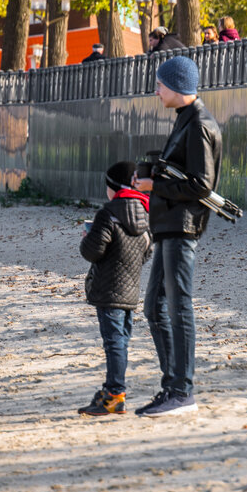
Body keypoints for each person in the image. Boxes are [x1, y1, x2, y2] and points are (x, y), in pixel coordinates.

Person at [134, 56, 222, 417]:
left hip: (182, 227)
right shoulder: (186, 121)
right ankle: (172, 386)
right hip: (170, 225)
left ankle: (182, 391)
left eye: (161, 84)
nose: (156, 90)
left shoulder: (199, 124)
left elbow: (202, 185)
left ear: (178, 86)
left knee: (177, 306)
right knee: (155, 306)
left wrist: (156, 184)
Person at [77, 161, 152, 416]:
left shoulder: (108, 213)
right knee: (121, 341)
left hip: (108, 289)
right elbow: (147, 251)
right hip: (131, 289)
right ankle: (112, 390)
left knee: (114, 342)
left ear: (113, 187)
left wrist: (87, 238)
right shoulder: (144, 211)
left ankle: (114, 394)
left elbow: (93, 252)